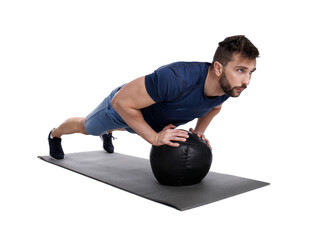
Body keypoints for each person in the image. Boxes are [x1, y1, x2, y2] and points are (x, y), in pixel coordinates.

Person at [48, 35, 259, 160]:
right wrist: (154, 138)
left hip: (147, 119)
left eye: (251, 72)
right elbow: (121, 102)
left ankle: (110, 131)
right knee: (87, 127)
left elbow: (214, 107)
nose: (247, 81)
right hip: (123, 108)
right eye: (241, 70)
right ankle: (55, 134)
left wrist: (199, 132)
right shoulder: (176, 78)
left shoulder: (227, 89)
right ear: (218, 68)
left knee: (129, 126)